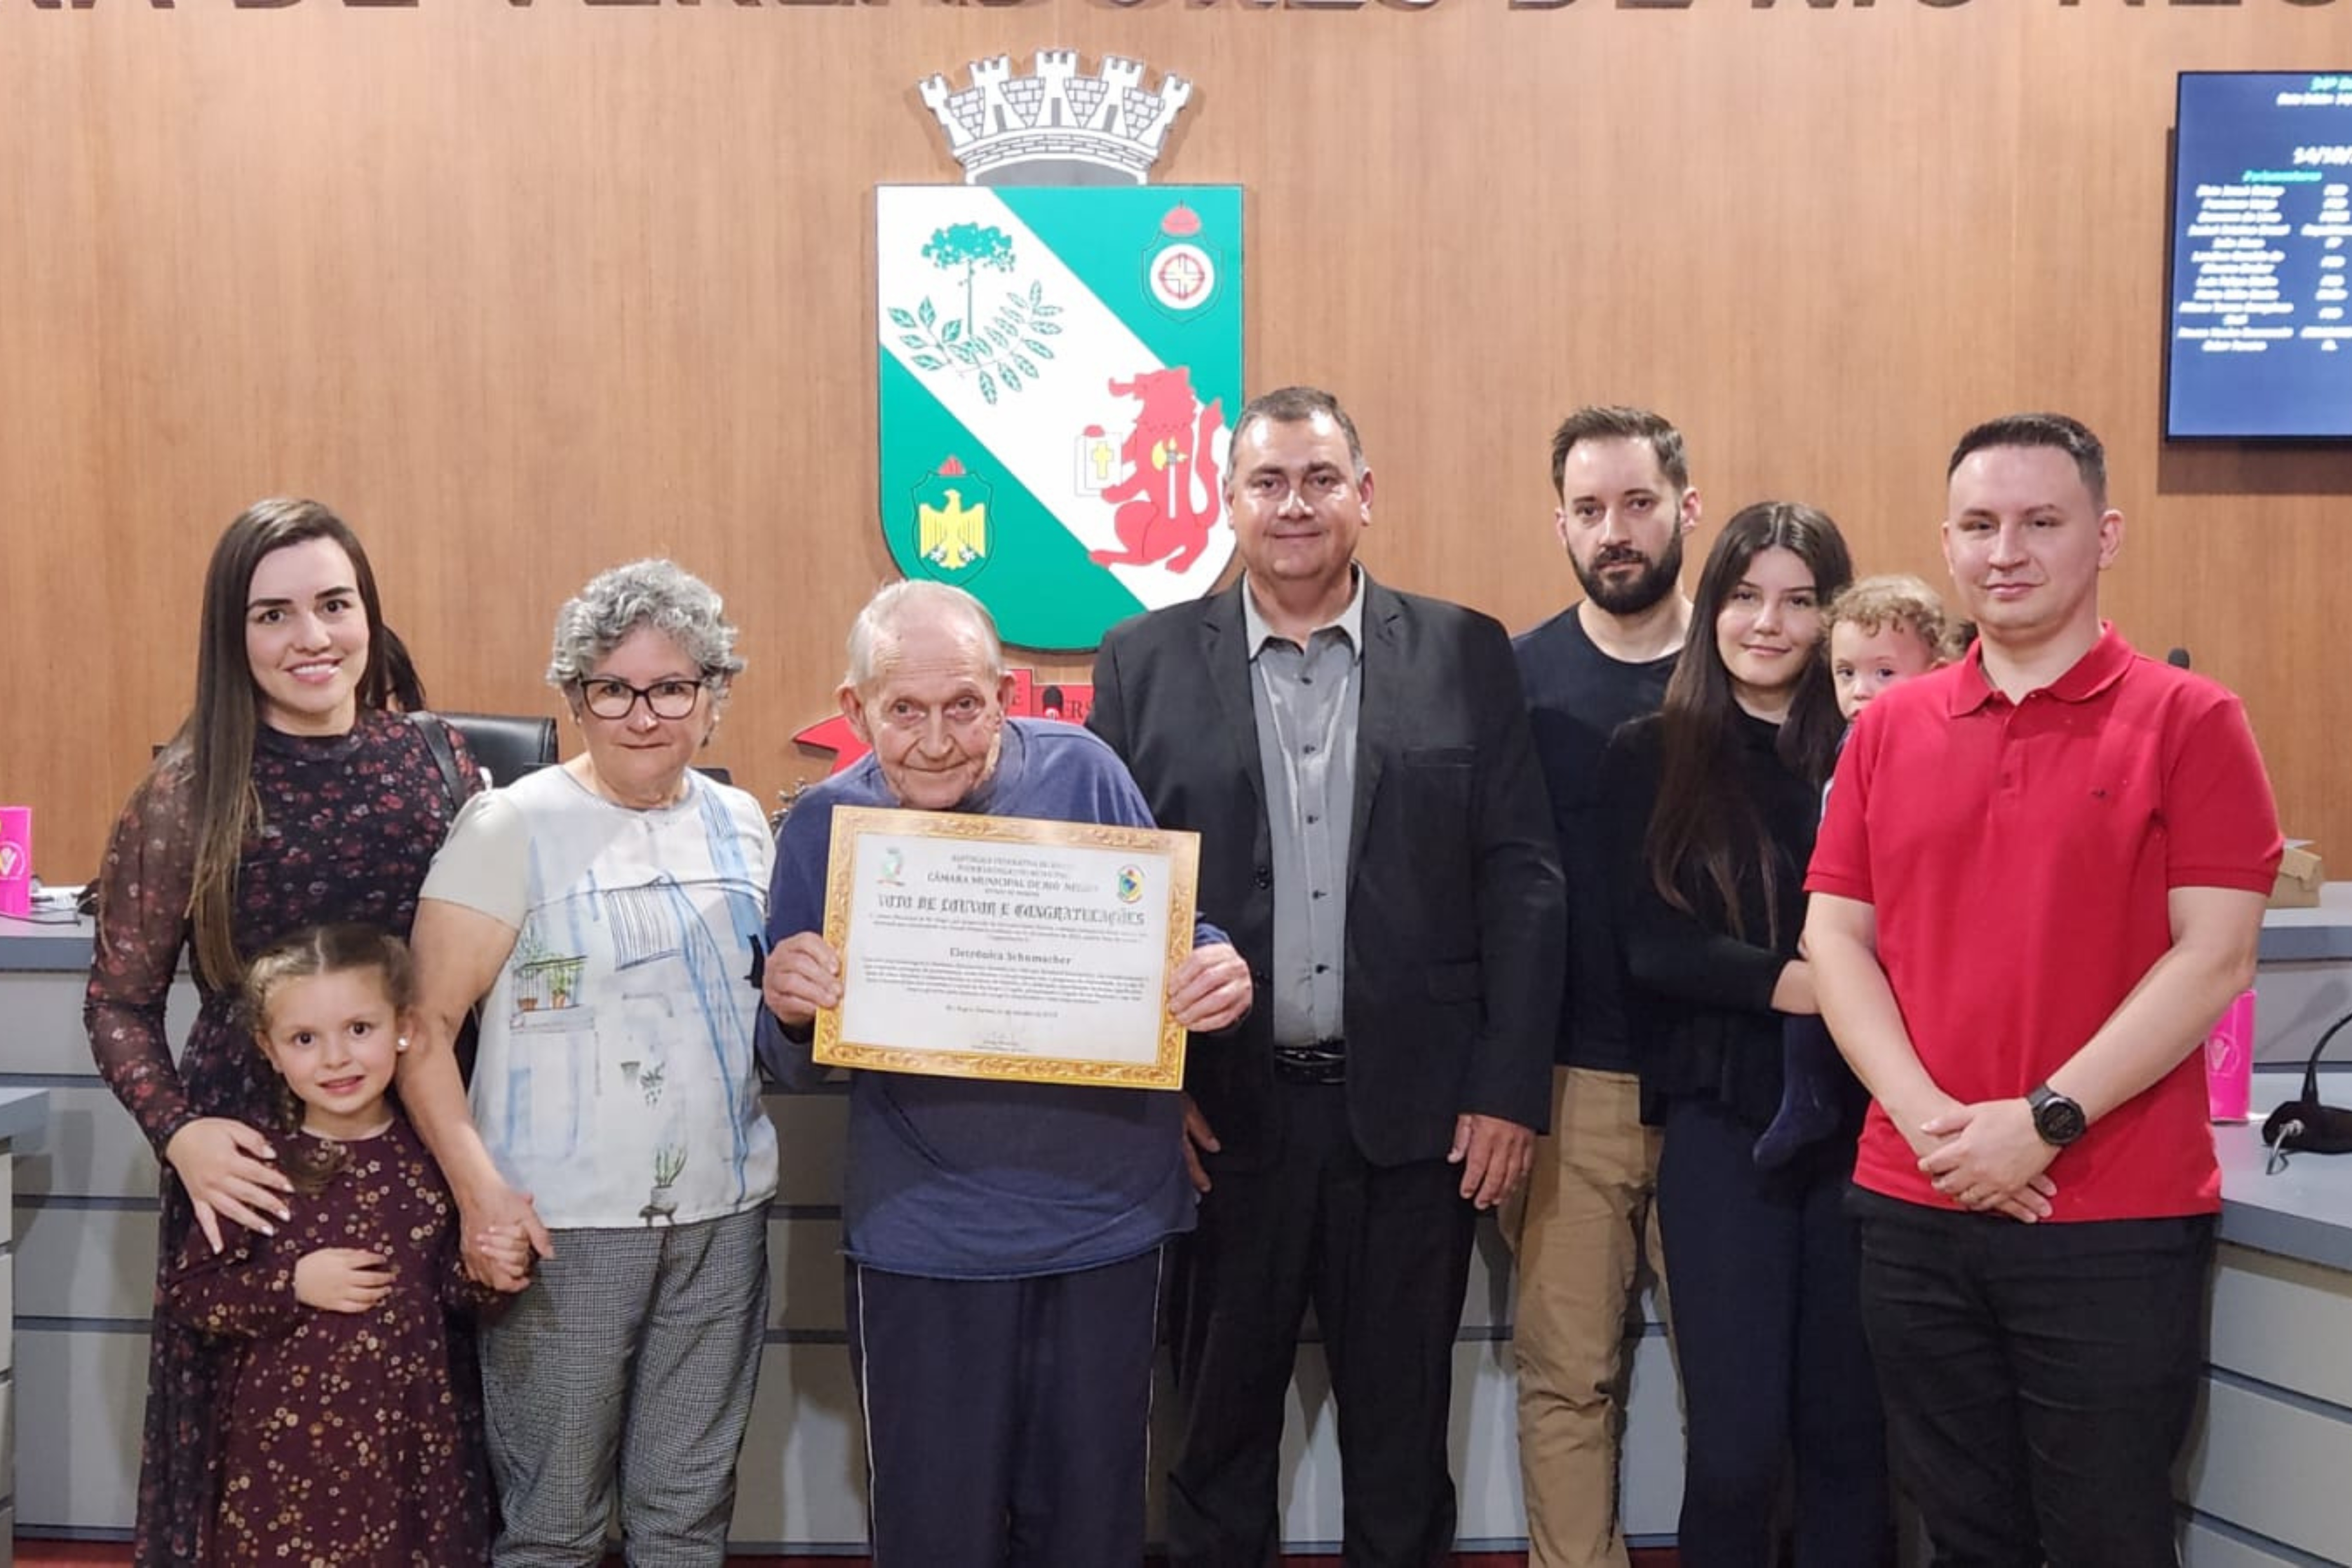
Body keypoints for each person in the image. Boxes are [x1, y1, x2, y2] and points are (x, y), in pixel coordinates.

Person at [1088, 385, 1566, 1566]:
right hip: (1221, 1123)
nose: (1294, 505)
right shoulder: (1144, 661)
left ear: (1366, 494)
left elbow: (1523, 877)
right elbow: (1110, 891)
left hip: (1417, 1127)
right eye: (1267, 482)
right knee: (1214, 1448)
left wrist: (1508, 1089)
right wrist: (1152, 1090)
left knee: (1402, 1456)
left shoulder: (1463, 650)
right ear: (1229, 501)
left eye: (1319, 479)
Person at [1805, 414, 2283, 1567]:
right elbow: (1836, 941)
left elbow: (2214, 956)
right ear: (1948, 544)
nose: (2006, 551)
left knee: (2107, 1539)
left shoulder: (2193, 721)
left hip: (2112, 1214)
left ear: (2105, 535)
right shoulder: (1889, 727)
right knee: (1966, 1538)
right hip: (1917, 1202)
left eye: (2041, 522)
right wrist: (1935, 1124)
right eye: (1980, 524)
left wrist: (2045, 1118)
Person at [757, 579, 1252, 1568]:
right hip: (925, 1235)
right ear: (856, 707)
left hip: (1106, 1222)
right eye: (905, 710)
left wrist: (1216, 966)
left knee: (1092, 1533)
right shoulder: (825, 825)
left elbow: (1172, 934)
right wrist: (788, 1004)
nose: (938, 740)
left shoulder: (1086, 771)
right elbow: (793, 1062)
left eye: (965, 706)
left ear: (1006, 696)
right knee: (935, 1535)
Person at [85, 497, 482, 1568]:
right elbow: (117, 1001)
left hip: (416, 1145)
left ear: (369, 613)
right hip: (252, 1163)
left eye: (335, 604)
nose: (312, 637)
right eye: (274, 615)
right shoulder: (188, 790)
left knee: (422, 1429)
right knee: (256, 1457)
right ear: (235, 634)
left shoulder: (437, 761)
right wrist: (178, 1132)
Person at [398, 559, 779, 1567]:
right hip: (561, 1227)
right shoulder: (511, 824)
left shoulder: (743, 823)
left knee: (686, 1519)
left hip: (723, 1215)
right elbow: (423, 1025)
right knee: (554, 1523)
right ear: (574, 697)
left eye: (672, 688)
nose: (643, 716)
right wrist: (480, 1195)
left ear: (714, 694)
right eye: (613, 688)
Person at [1597, 502, 1888, 1568]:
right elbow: (1651, 945)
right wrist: (1811, 986)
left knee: (1853, 1441)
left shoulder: (1875, 747)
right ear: (1711, 602)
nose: (1769, 624)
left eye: (1801, 601)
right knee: (1736, 1449)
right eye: (1745, 595)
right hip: (1725, 1133)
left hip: (1868, 1132)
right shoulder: (1650, 751)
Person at [167, 924, 526, 1568]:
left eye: (359, 1029)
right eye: (305, 1039)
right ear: (269, 1049)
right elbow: (195, 1295)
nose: (336, 1059)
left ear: (403, 1028)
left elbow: (454, 1296)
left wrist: (492, 1272)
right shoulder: (256, 1166)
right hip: (285, 1458)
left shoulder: (436, 1161)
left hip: (415, 1449)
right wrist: (293, 1287)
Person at [1508, 405, 1699, 1568]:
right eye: (1589, 509)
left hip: (1726, 1092)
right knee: (1567, 1380)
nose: (1614, 530)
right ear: (1563, 524)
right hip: (1570, 1087)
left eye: (1637, 503)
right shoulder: (1514, 678)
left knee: (1739, 1382)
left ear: (1687, 506)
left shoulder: (1749, 662)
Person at [1752, 573, 1956, 1171]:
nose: (1861, 691)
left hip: (1902, 922)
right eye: (1846, 674)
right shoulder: (1850, 743)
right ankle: (1807, 1098)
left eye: (1884, 673)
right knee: (1819, 988)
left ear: (1939, 672)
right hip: (1847, 909)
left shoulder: (1931, 747)